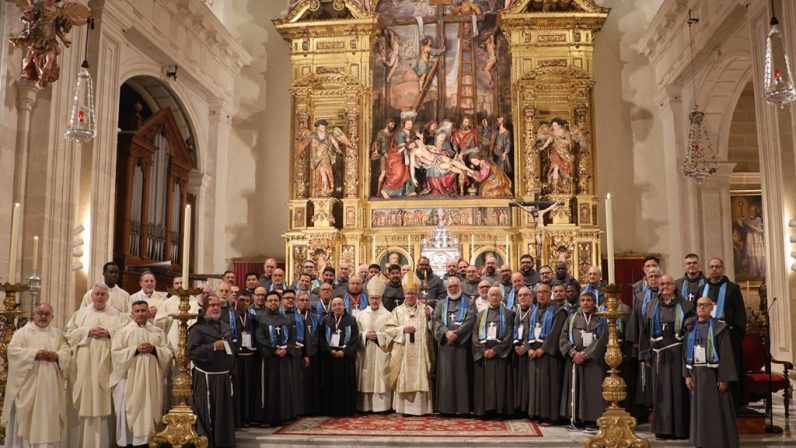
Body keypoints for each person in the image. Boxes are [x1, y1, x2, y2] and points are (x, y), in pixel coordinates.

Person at [65, 284, 131, 447]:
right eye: (97, 294)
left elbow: (127, 333)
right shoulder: (80, 314)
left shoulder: (118, 315)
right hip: (85, 364)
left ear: (108, 297)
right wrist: (87, 332)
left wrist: (109, 333)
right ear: (91, 296)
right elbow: (67, 333)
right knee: (86, 397)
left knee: (105, 398)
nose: (100, 297)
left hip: (108, 364)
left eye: (103, 294)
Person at [2, 303, 71, 448]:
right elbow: (12, 352)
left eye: (47, 314)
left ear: (52, 317)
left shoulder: (57, 334)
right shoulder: (22, 333)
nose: (43, 316)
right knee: (28, 421)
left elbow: (67, 352)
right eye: (40, 313)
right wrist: (34, 354)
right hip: (28, 386)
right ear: (34, 314)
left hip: (50, 388)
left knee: (48, 420)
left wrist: (56, 355)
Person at [111, 300, 173, 447]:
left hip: (153, 380)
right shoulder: (123, 333)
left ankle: (150, 440)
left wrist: (154, 350)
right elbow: (115, 355)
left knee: (151, 409)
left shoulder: (158, 332)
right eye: (137, 311)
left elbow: (169, 353)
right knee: (131, 411)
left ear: (148, 312)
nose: (140, 313)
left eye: (143, 310)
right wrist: (135, 350)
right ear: (132, 314)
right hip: (131, 381)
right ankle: (132, 442)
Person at [640, 274, 694, 440]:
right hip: (658, 356)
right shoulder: (651, 306)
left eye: (668, 284)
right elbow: (644, 332)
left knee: (678, 392)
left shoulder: (685, 305)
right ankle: (662, 429)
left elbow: (690, 330)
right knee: (660, 393)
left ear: (674, 286)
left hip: (677, 354)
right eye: (662, 284)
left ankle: (679, 429)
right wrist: (645, 355)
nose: (664, 286)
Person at [684, 297, 740, 448]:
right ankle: (701, 440)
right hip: (696, 373)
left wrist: (724, 378)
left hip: (713, 374)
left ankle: (719, 440)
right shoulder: (690, 326)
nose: (701, 308)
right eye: (699, 305)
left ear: (711, 308)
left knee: (717, 409)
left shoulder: (719, 327)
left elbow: (726, 353)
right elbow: (685, 352)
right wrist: (687, 375)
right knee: (699, 410)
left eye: (705, 305)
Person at [187, 295, 236, 448]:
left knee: (223, 414)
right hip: (206, 377)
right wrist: (213, 346)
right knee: (206, 413)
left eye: (218, 305)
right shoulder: (196, 329)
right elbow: (191, 352)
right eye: (212, 305)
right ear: (205, 308)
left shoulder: (226, 327)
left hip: (223, 376)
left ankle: (223, 443)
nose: (216, 308)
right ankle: (207, 443)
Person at [384, 277, 434, 415]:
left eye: (413, 293)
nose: (410, 296)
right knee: (404, 375)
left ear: (417, 294)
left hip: (421, 352)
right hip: (403, 352)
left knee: (421, 374)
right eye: (408, 293)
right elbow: (388, 329)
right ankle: (404, 409)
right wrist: (403, 330)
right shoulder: (397, 311)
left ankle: (421, 409)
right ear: (404, 294)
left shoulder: (426, 309)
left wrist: (430, 317)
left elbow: (434, 329)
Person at [702, 257, 746, 408]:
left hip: (728, 336)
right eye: (711, 267)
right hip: (706, 336)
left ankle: (731, 403)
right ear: (708, 269)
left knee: (727, 368)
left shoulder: (732, 288)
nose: (714, 269)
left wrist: (736, 335)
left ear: (723, 269)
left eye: (717, 267)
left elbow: (740, 313)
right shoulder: (703, 287)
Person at [559, 291, 607, 428]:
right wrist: (573, 353)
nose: (585, 303)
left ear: (594, 303)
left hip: (593, 361)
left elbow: (601, 340)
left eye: (589, 300)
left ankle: (592, 419)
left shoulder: (601, 320)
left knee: (592, 391)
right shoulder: (572, 318)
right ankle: (576, 417)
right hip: (574, 360)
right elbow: (563, 338)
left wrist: (584, 355)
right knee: (576, 388)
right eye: (583, 300)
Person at [433, 276, 477, 415]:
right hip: (446, 346)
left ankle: (463, 408)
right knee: (446, 377)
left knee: (462, 376)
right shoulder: (440, 304)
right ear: (447, 288)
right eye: (450, 286)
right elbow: (436, 320)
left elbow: (470, 321)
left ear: (460, 287)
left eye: (455, 286)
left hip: (461, 346)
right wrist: (446, 333)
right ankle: (446, 408)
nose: (453, 289)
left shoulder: (469, 303)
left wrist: (456, 334)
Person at [255, 290, 299, 426]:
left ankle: (285, 414)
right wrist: (274, 350)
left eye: (275, 300)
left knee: (284, 387)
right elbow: (260, 339)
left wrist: (286, 350)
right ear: (266, 303)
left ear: (280, 302)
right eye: (270, 301)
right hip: (269, 360)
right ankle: (270, 417)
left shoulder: (286, 319)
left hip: (284, 359)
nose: (273, 303)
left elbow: (293, 337)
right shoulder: (260, 319)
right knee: (270, 387)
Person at [472, 286, 516, 417]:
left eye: (497, 295)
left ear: (501, 297)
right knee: (485, 385)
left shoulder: (509, 314)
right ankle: (484, 410)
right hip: (484, 354)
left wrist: (496, 350)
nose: (494, 297)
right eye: (492, 295)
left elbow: (509, 335)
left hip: (500, 356)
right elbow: (474, 335)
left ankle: (500, 410)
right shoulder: (480, 315)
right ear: (488, 297)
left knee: (500, 384)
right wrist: (483, 350)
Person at [527, 283, 567, 424]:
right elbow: (528, 330)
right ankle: (537, 413)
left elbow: (555, 333)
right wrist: (529, 348)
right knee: (536, 385)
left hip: (549, 354)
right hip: (534, 352)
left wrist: (543, 349)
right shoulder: (533, 311)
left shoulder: (559, 311)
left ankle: (551, 416)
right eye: (539, 292)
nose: (541, 294)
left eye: (544, 292)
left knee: (549, 386)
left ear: (550, 293)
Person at [627, 265, 661, 410]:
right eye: (650, 277)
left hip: (663, 341)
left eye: (656, 276)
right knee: (647, 375)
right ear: (646, 279)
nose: (653, 279)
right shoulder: (640, 297)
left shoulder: (666, 294)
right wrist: (634, 340)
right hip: (645, 339)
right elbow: (635, 318)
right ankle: (651, 405)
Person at [356, 279, 393, 412]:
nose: (375, 301)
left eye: (377, 298)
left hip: (380, 351)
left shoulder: (388, 315)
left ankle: (382, 407)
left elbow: (391, 333)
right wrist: (365, 335)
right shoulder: (361, 315)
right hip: (365, 352)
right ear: (368, 298)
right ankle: (364, 407)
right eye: (372, 298)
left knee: (380, 378)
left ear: (381, 298)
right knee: (365, 378)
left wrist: (379, 336)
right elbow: (357, 333)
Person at [320, 297, 360, 416]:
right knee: (330, 385)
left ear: (344, 306)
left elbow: (355, 339)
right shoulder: (326, 320)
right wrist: (330, 351)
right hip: (330, 359)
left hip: (345, 359)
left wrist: (345, 351)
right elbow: (321, 338)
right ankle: (330, 410)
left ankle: (346, 410)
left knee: (345, 386)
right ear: (331, 307)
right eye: (335, 305)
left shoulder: (351, 320)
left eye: (340, 304)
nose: (337, 307)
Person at [232, 292, 263, 426]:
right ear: (235, 300)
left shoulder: (253, 318)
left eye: (247, 301)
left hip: (250, 357)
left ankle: (248, 416)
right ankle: (237, 418)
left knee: (249, 388)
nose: (244, 303)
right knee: (237, 389)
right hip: (237, 358)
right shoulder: (231, 317)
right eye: (241, 300)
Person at [154, 276, 201, 351]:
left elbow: (198, 319)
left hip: (190, 336)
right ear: (173, 286)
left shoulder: (194, 301)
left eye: (182, 283)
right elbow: (157, 322)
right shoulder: (166, 303)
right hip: (171, 336)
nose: (179, 285)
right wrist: (174, 319)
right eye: (177, 283)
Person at [296, 292, 322, 416]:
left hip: (313, 353)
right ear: (297, 301)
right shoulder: (293, 317)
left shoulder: (315, 317)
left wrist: (311, 349)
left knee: (311, 382)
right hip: (297, 354)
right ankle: (298, 408)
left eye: (307, 300)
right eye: (301, 300)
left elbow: (317, 335)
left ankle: (311, 408)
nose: (304, 302)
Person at [510, 287, 533, 414]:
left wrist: (525, 346)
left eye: (526, 295)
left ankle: (527, 408)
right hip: (516, 350)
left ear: (531, 297)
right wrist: (515, 344)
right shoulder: (515, 312)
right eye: (520, 295)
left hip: (528, 350)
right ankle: (517, 407)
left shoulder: (534, 311)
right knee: (517, 380)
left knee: (527, 381)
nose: (523, 297)